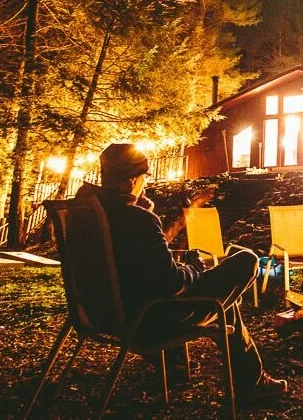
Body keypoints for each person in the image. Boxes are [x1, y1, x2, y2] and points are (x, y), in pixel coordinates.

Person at [75, 143, 287, 402]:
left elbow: (138, 268)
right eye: (144, 177)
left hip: (101, 312)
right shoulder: (136, 219)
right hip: (151, 317)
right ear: (132, 180)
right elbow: (171, 283)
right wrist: (194, 267)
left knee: (224, 301)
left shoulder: (88, 213)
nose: (146, 183)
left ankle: (219, 372)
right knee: (246, 260)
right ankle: (250, 381)